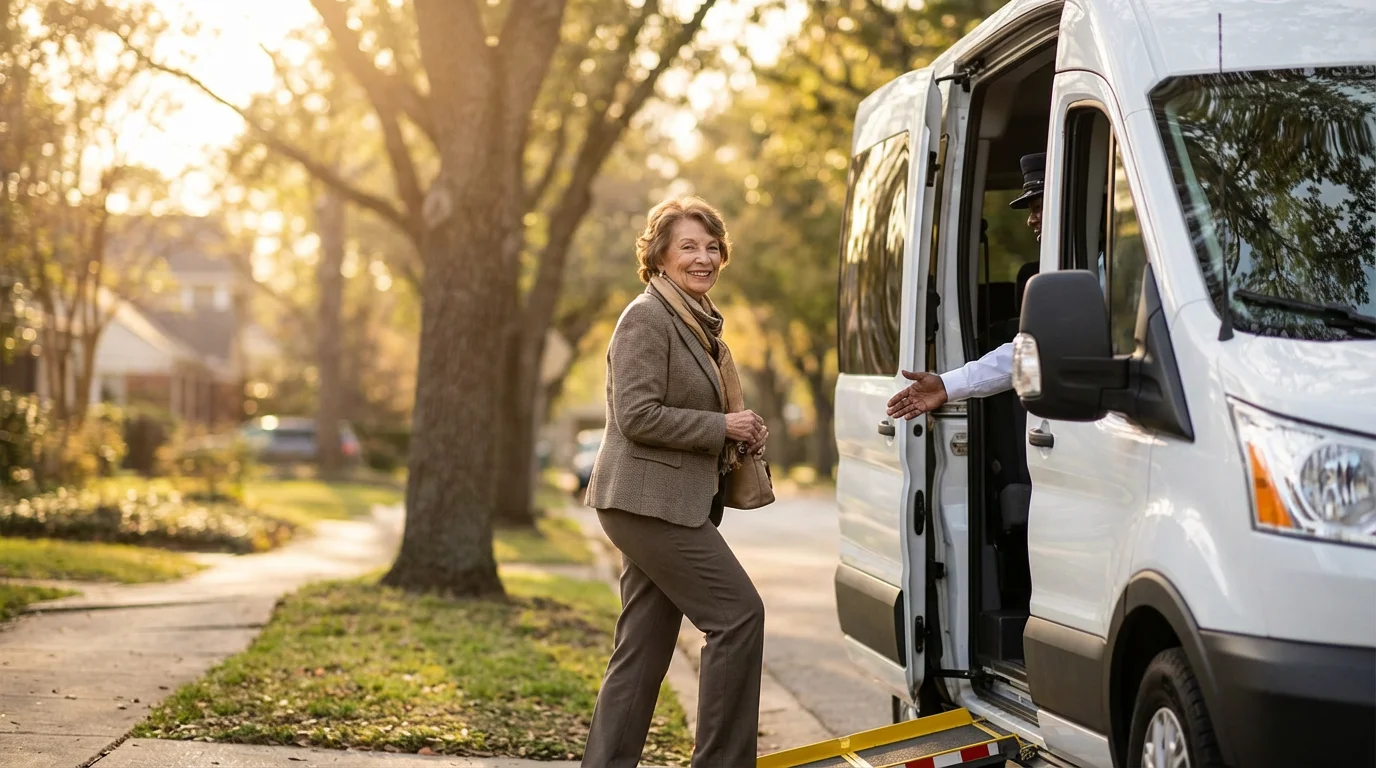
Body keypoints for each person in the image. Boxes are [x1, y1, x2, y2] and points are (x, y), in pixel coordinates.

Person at [581, 196, 770, 767]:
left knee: (642, 649)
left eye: (712, 247)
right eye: (689, 246)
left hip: (665, 502)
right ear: (660, 255)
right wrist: (720, 425)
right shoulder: (647, 316)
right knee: (739, 616)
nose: (703, 257)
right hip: (644, 503)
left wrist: (739, 430)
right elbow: (636, 415)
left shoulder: (698, 322)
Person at [889, 152, 1046, 420]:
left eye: (1037, 208)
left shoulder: (1115, 267)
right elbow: (1034, 353)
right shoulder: (1077, 265)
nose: (1030, 220)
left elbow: (1039, 353)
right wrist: (946, 385)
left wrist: (948, 385)